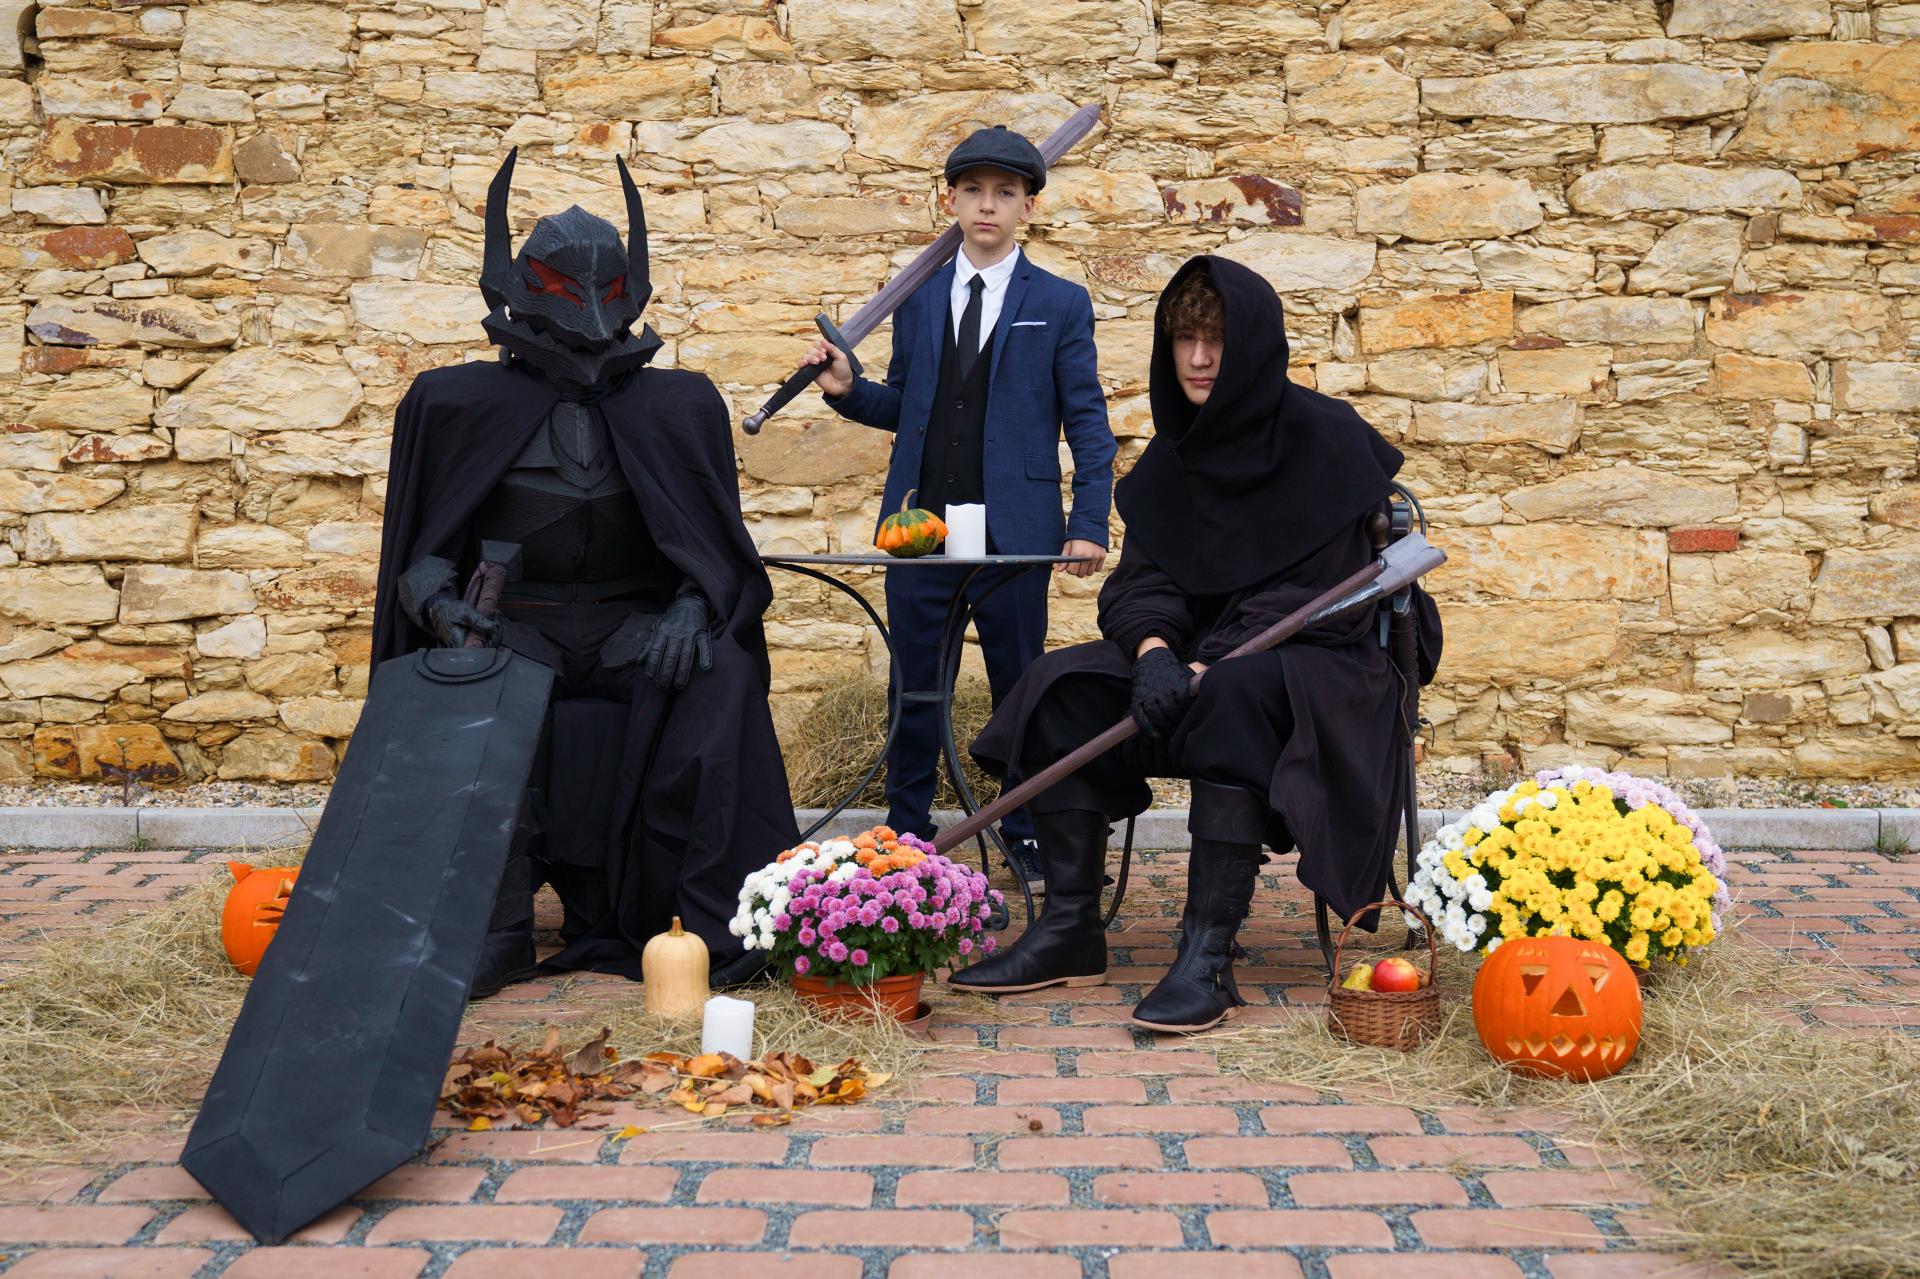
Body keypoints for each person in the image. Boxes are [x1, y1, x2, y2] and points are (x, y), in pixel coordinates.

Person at [954, 255, 1442, 1032]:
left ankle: (1206, 952)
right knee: (1061, 684)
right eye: (1184, 338)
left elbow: (1317, 598)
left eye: (1217, 339)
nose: (1200, 358)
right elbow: (1143, 583)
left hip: (1318, 667)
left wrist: (1208, 664)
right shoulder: (1174, 455)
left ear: (1254, 345)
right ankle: (1070, 927)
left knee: (1233, 694)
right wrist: (1154, 654)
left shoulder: (1328, 442)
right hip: (1191, 662)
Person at [371, 150, 799, 996]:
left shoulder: (678, 406)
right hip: (514, 627)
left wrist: (691, 607)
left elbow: (714, 552)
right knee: (468, 685)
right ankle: (488, 930)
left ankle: (709, 921)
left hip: (630, 629)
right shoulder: (455, 403)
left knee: (722, 675)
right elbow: (420, 558)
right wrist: (447, 609)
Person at [803, 124, 1116, 885]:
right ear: (950, 201)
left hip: (1016, 530)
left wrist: (1087, 524)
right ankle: (906, 830)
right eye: (973, 190)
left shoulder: (1061, 302)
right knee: (914, 686)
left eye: (1005, 193)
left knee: (1019, 687)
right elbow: (907, 405)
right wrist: (847, 390)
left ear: (1028, 207)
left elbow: (1088, 422)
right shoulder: (917, 300)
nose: (988, 205)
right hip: (921, 524)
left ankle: (1024, 829)